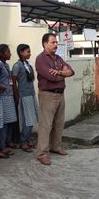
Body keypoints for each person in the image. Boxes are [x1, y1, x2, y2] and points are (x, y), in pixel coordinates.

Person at [35, 33, 74, 165]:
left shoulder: (58, 58)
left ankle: (56, 147)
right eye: (53, 42)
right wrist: (63, 74)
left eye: (56, 42)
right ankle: (42, 153)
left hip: (60, 94)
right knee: (46, 125)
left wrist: (59, 72)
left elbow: (72, 71)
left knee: (59, 123)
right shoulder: (40, 59)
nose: (56, 45)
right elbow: (51, 77)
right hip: (48, 95)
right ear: (45, 44)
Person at [12, 44, 39, 152]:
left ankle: (27, 140)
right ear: (21, 52)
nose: (30, 53)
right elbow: (13, 81)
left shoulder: (27, 64)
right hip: (24, 95)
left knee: (32, 119)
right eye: (28, 51)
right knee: (27, 120)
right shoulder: (17, 65)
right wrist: (17, 95)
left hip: (31, 94)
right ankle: (23, 141)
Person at [0, 44, 17, 156]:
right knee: (4, 122)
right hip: (3, 96)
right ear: (1, 53)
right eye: (8, 52)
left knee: (10, 121)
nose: (10, 54)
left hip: (8, 95)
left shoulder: (6, 64)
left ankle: (8, 141)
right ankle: (2, 145)